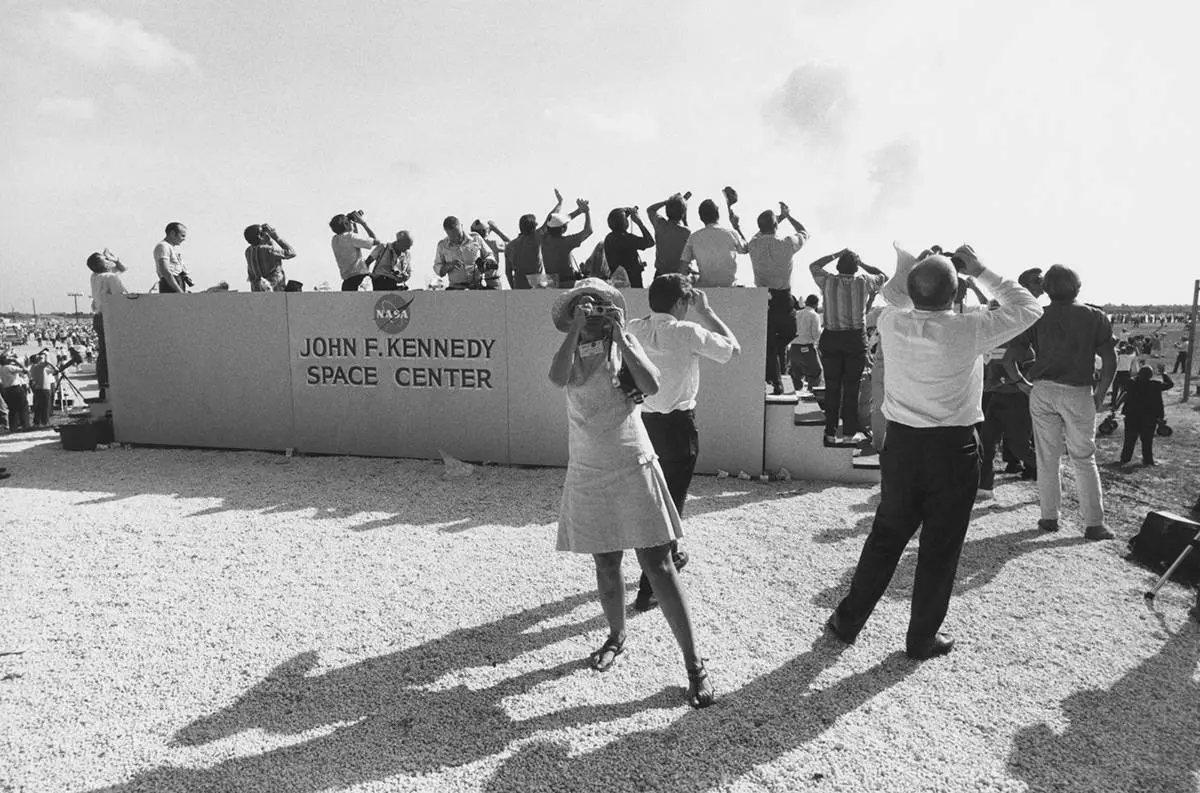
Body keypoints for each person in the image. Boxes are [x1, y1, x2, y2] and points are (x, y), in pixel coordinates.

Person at [825, 244, 1042, 659]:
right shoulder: (970, 329)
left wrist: (917, 267)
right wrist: (979, 269)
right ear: (955, 291)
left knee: (885, 538)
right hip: (952, 448)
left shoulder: (890, 321)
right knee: (940, 548)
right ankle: (921, 637)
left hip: (903, 446)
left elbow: (895, 297)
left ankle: (848, 621)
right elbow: (1029, 307)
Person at [548, 278, 714, 708]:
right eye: (585, 305)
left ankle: (695, 665)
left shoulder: (622, 344)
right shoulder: (571, 347)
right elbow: (556, 376)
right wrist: (575, 332)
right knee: (606, 562)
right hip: (588, 466)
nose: (593, 311)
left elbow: (652, 385)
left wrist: (622, 335)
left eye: (600, 305)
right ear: (571, 314)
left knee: (658, 564)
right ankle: (617, 636)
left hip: (630, 460)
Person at [627, 274, 740, 612]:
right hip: (677, 426)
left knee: (652, 501)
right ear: (680, 302)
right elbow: (733, 349)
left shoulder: (634, 327)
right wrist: (707, 312)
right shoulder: (688, 332)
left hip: (642, 424)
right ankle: (649, 589)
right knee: (670, 505)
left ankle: (670, 555)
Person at [1010, 265, 1117, 540]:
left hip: (1043, 390)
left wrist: (1023, 384)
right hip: (1078, 390)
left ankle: (1049, 517)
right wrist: (1101, 393)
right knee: (1084, 457)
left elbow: (1009, 359)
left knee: (1047, 458)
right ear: (1077, 287)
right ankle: (1094, 523)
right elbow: (1110, 359)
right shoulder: (1095, 316)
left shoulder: (1037, 316)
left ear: (1046, 289)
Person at [808, 249, 888, 444]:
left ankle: (830, 432)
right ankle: (848, 434)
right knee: (852, 389)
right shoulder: (863, 281)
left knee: (832, 387)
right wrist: (863, 264)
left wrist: (835, 254)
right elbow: (883, 276)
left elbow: (814, 265)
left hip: (832, 337)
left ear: (837, 267)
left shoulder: (827, 281)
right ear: (855, 267)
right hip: (854, 339)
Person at [749, 202, 809, 394]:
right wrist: (788, 216)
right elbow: (803, 231)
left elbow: (759, 233)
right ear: (776, 226)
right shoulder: (786, 244)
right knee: (789, 333)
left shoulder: (754, 245)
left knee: (771, 343)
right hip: (783, 297)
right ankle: (776, 380)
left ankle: (773, 372)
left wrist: (778, 219)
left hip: (763, 298)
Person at [977, 339, 1038, 496]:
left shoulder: (1023, 347)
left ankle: (1048, 468)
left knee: (1019, 448)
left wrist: (1001, 381)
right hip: (995, 400)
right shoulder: (990, 342)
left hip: (1018, 401)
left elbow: (1029, 376)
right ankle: (985, 487)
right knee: (986, 444)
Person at [505, 190, 577, 289]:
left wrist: (513, 288)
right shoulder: (535, 237)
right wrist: (561, 203)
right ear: (534, 226)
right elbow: (553, 220)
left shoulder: (510, 246)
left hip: (519, 282)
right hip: (537, 282)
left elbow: (508, 272)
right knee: (562, 282)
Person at [88, 250, 129, 401]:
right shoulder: (110, 277)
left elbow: (122, 268)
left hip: (98, 317)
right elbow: (121, 297)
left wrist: (114, 259)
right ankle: (113, 383)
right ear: (103, 264)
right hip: (110, 317)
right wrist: (114, 260)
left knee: (103, 353)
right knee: (113, 351)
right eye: (106, 260)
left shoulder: (95, 276)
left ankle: (104, 385)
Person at [679, 199, 747, 287]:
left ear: (701, 218)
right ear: (718, 214)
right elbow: (745, 249)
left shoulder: (693, 237)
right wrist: (737, 227)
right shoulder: (731, 233)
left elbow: (682, 269)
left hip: (705, 287)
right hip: (729, 286)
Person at [1119, 365, 1173, 466]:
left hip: (1132, 416)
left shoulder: (1131, 383)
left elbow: (1126, 384)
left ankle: (1125, 459)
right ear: (1151, 375)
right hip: (1149, 417)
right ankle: (1148, 461)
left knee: (1129, 440)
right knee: (1147, 441)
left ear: (1139, 374)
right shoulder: (1155, 385)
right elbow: (1170, 384)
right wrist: (1163, 373)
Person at [541, 199, 593, 287]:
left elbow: (555, 222)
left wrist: (579, 211)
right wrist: (587, 212)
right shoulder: (567, 242)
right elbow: (588, 231)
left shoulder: (543, 240)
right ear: (563, 229)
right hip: (568, 283)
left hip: (552, 284)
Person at [434, 216, 497, 290]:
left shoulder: (475, 238)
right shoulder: (442, 246)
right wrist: (449, 266)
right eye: (452, 237)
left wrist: (487, 262)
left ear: (462, 226)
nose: (457, 238)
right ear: (446, 232)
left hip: (477, 287)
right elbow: (437, 268)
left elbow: (489, 255)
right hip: (455, 289)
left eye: (458, 235)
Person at [602, 207, 655, 288]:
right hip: (633, 284)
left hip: (617, 283)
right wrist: (639, 223)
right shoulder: (627, 238)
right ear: (624, 223)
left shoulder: (609, 238)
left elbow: (616, 217)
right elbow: (650, 242)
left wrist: (626, 211)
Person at [646, 192, 691, 279]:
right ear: (682, 213)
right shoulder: (686, 232)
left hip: (660, 274)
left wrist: (667, 202)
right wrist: (684, 218)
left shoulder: (660, 225)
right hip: (678, 276)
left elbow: (650, 209)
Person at [330, 211, 379, 291]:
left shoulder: (335, 240)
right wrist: (363, 223)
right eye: (349, 222)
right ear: (346, 225)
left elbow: (354, 239)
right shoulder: (351, 237)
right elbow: (376, 241)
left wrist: (353, 223)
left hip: (347, 282)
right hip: (361, 280)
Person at [244, 224, 296, 292]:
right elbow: (291, 253)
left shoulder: (248, 251)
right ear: (260, 236)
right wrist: (276, 237)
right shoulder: (269, 250)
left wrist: (268, 240)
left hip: (258, 292)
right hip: (275, 292)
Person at [789, 294, 823, 393]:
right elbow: (815, 335)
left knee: (796, 375)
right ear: (816, 304)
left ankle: (795, 394)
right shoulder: (814, 315)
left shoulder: (796, 313)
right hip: (807, 349)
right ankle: (812, 395)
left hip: (794, 349)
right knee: (816, 372)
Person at [154, 222, 189, 293]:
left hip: (176, 282)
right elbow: (165, 271)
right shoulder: (163, 246)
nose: (184, 239)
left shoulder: (170, 247)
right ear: (172, 233)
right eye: (182, 236)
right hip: (170, 285)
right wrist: (179, 291)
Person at [0, 355, 30, 432]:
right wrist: (17, 362)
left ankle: (13, 427)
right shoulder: (9, 367)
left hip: (7, 389)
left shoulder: (1, 368)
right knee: (23, 406)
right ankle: (25, 425)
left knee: (12, 409)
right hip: (15, 388)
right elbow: (25, 371)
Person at [29, 353, 57, 427]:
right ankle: (45, 422)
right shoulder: (38, 366)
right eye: (39, 358)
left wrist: (54, 369)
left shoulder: (36, 367)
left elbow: (53, 371)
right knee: (45, 406)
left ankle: (37, 422)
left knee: (38, 406)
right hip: (43, 389)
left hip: (38, 388)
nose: (40, 359)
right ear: (36, 360)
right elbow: (47, 363)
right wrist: (46, 356)